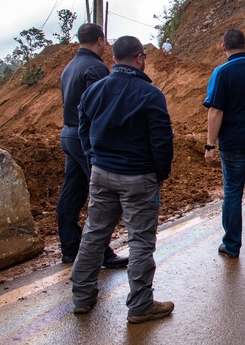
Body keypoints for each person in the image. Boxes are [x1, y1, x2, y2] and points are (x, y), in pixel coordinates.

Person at [71, 35, 176, 324]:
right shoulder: (150, 94)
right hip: (139, 177)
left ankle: (81, 296)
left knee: (94, 234)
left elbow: (83, 131)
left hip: (102, 174)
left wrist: (94, 159)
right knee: (140, 241)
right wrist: (159, 173)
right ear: (140, 58)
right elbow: (162, 141)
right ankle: (140, 305)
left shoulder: (94, 91)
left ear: (114, 58)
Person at [56, 23, 127, 268]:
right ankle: (102, 253)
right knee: (101, 194)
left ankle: (69, 248)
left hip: (68, 134)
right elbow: (102, 108)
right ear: (100, 40)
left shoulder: (70, 67)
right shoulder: (96, 68)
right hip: (84, 138)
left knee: (72, 192)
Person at [203, 29, 245, 259]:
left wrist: (210, 145)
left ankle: (232, 245)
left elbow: (215, 110)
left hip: (232, 143)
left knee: (233, 192)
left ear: (223, 48)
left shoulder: (221, 72)